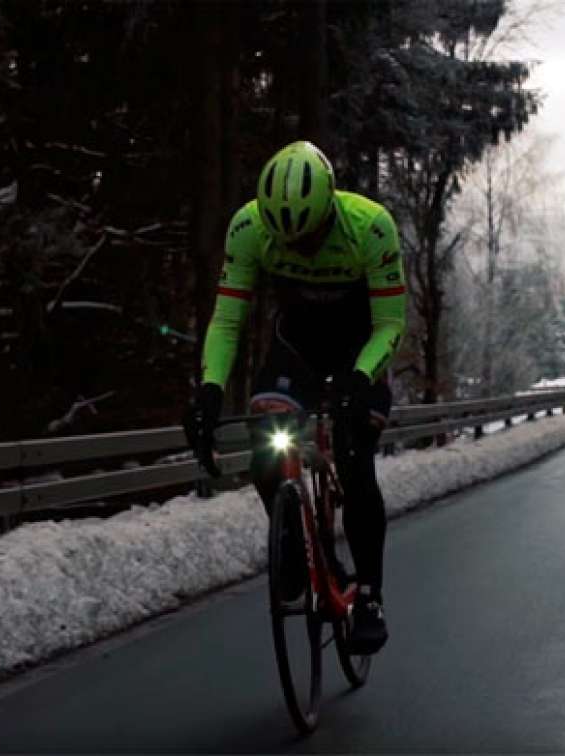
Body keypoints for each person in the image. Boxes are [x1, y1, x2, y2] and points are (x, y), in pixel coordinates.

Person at [183, 141, 406, 654]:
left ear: (329, 209)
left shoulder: (370, 226)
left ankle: (369, 596)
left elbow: (391, 322)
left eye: (306, 238)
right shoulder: (248, 228)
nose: (297, 248)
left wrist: (361, 376)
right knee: (266, 439)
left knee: (354, 461)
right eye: (286, 241)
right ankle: (295, 541)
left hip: (360, 347)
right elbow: (228, 318)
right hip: (296, 349)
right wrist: (210, 389)